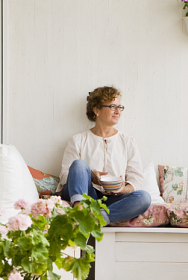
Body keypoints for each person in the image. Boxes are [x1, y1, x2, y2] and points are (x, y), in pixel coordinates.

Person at [59, 86, 151, 225]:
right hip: (86, 194)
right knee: (79, 165)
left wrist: (122, 189)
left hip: (112, 199)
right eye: (112, 106)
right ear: (96, 110)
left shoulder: (128, 142)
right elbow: (65, 177)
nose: (118, 111)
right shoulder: (78, 140)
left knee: (144, 197)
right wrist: (90, 176)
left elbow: (136, 179)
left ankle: (97, 218)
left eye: (120, 107)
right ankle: (79, 210)